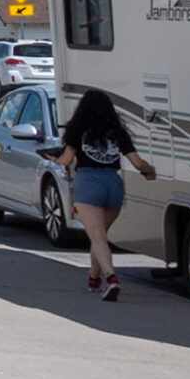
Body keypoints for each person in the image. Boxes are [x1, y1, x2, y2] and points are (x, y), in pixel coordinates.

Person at [49, 86, 153, 299]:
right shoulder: (117, 132)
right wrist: (150, 172)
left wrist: (53, 159)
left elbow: (67, 160)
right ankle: (93, 278)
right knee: (99, 237)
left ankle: (111, 278)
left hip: (88, 182)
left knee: (97, 237)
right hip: (113, 184)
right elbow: (137, 162)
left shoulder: (77, 130)